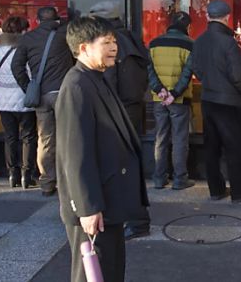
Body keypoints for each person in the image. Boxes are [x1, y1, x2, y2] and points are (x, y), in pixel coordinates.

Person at [55, 16, 149, 282]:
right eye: (106, 42)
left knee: (110, 270)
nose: (114, 47)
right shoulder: (76, 86)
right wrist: (87, 207)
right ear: (83, 47)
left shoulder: (97, 78)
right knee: (92, 273)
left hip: (110, 199)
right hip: (95, 207)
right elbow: (75, 154)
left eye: (114, 41)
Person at [88, 1, 152, 240]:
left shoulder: (109, 41)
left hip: (119, 108)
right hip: (132, 105)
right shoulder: (130, 38)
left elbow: (108, 77)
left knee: (123, 167)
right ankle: (136, 218)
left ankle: (136, 220)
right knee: (129, 164)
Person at [190, 0, 241, 203]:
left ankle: (216, 189)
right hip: (229, 102)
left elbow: (196, 68)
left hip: (209, 99)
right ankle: (239, 191)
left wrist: (209, 81)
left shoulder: (199, 41)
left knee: (212, 147)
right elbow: (237, 74)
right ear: (227, 18)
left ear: (208, 17)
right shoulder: (228, 42)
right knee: (235, 147)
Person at [11, 7, 74, 196]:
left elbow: (16, 66)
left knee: (45, 140)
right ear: (56, 19)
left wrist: (28, 87)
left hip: (41, 95)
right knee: (68, 138)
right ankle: (68, 182)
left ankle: (47, 183)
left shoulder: (28, 38)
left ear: (37, 21)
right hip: (63, 93)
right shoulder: (64, 34)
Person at [147, 11, 195, 191]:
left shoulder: (154, 43)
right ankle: (179, 179)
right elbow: (188, 73)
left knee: (160, 138)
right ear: (187, 26)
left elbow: (149, 70)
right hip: (179, 99)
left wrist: (159, 90)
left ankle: (159, 178)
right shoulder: (190, 45)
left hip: (158, 99)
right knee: (179, 138)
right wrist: (174, 93)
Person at [0, 16, 37, 189]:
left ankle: (12, 174)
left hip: (3, 102)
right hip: (25, 100)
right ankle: (27, 173)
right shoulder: (27, 49)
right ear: (23, 31)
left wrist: (0, 91)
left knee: (10, 137)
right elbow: (31, 75)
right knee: (28, 137)